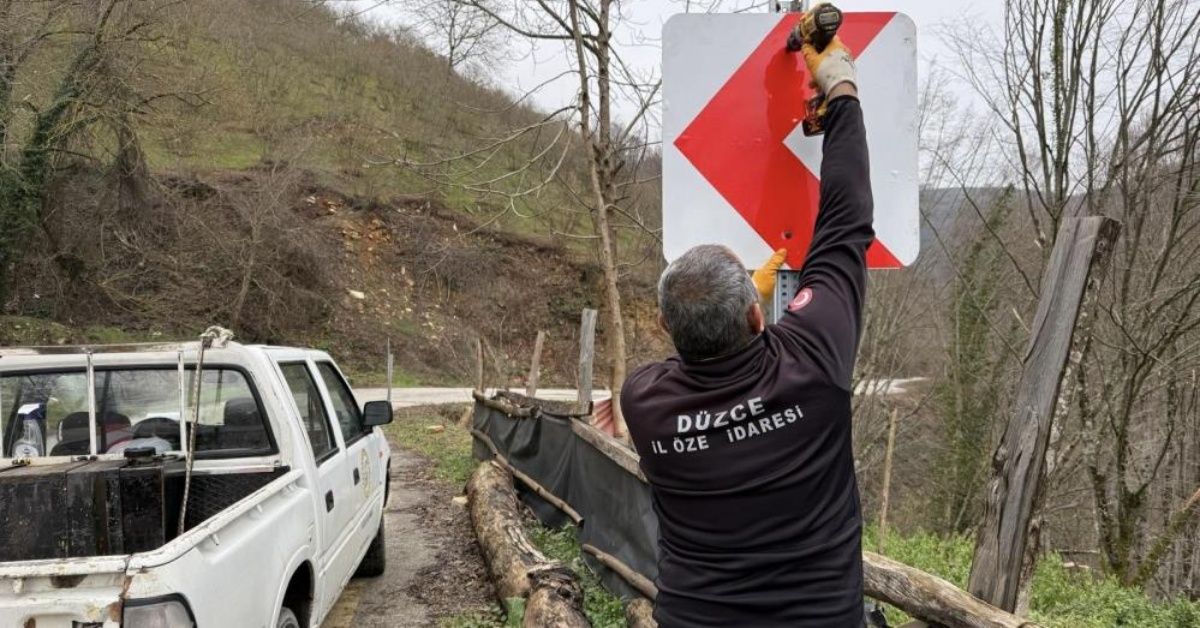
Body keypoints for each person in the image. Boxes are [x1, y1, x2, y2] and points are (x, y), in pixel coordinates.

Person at [621, 30, 873, 627]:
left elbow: (686, 361)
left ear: (664, 325)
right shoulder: (813, 362)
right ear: (757, 315)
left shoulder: (645, 403)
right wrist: (839, 87)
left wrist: (727, 309)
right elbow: (846, 220)